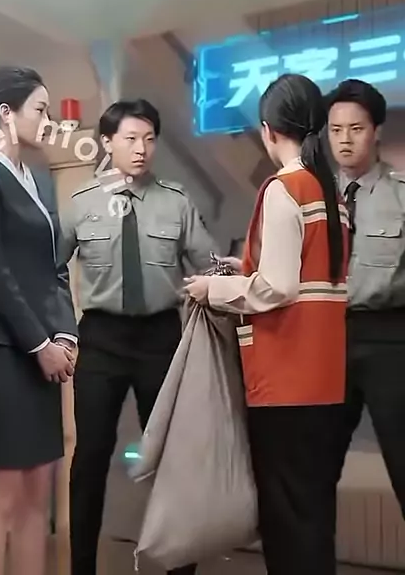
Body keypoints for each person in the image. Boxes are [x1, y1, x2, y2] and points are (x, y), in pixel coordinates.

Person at [185, 73, 349, 575]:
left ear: (268, 130)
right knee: (313, 516)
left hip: (284, 382)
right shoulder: (331, 193)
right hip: (325, 380)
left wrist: (213, 289)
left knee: (285, 523)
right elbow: (309, 272)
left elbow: (277, 288)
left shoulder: (284, 188)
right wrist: (245, 268)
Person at [57, 98, 215, 575]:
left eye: (149, 139)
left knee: (171, 459)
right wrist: (60, 333)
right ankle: (81, 566)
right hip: (101, 338)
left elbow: (210, 267)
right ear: (107, 143)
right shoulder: (81, 204)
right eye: (130, 138)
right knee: (90, 458)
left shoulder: (176, 202)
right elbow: (51, 273)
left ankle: (180, 566)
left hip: (159, 339)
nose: (141, 148)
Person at [0, 66, 78, 575]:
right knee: (1, 498)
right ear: (6, 113)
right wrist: (40, 345)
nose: (48, 120)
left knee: (36, 495)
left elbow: (55, 267)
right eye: (40, 110)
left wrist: (65, 333)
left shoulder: (39, 181)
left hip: (42, 351)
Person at [325, 78, 405, 514]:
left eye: (355, 129)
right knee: (316, 469)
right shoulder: (313, 198)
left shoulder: (401, 194)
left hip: (389, 339)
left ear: (376, 131)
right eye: (336, 130)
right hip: (325, 339)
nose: (345, 140)